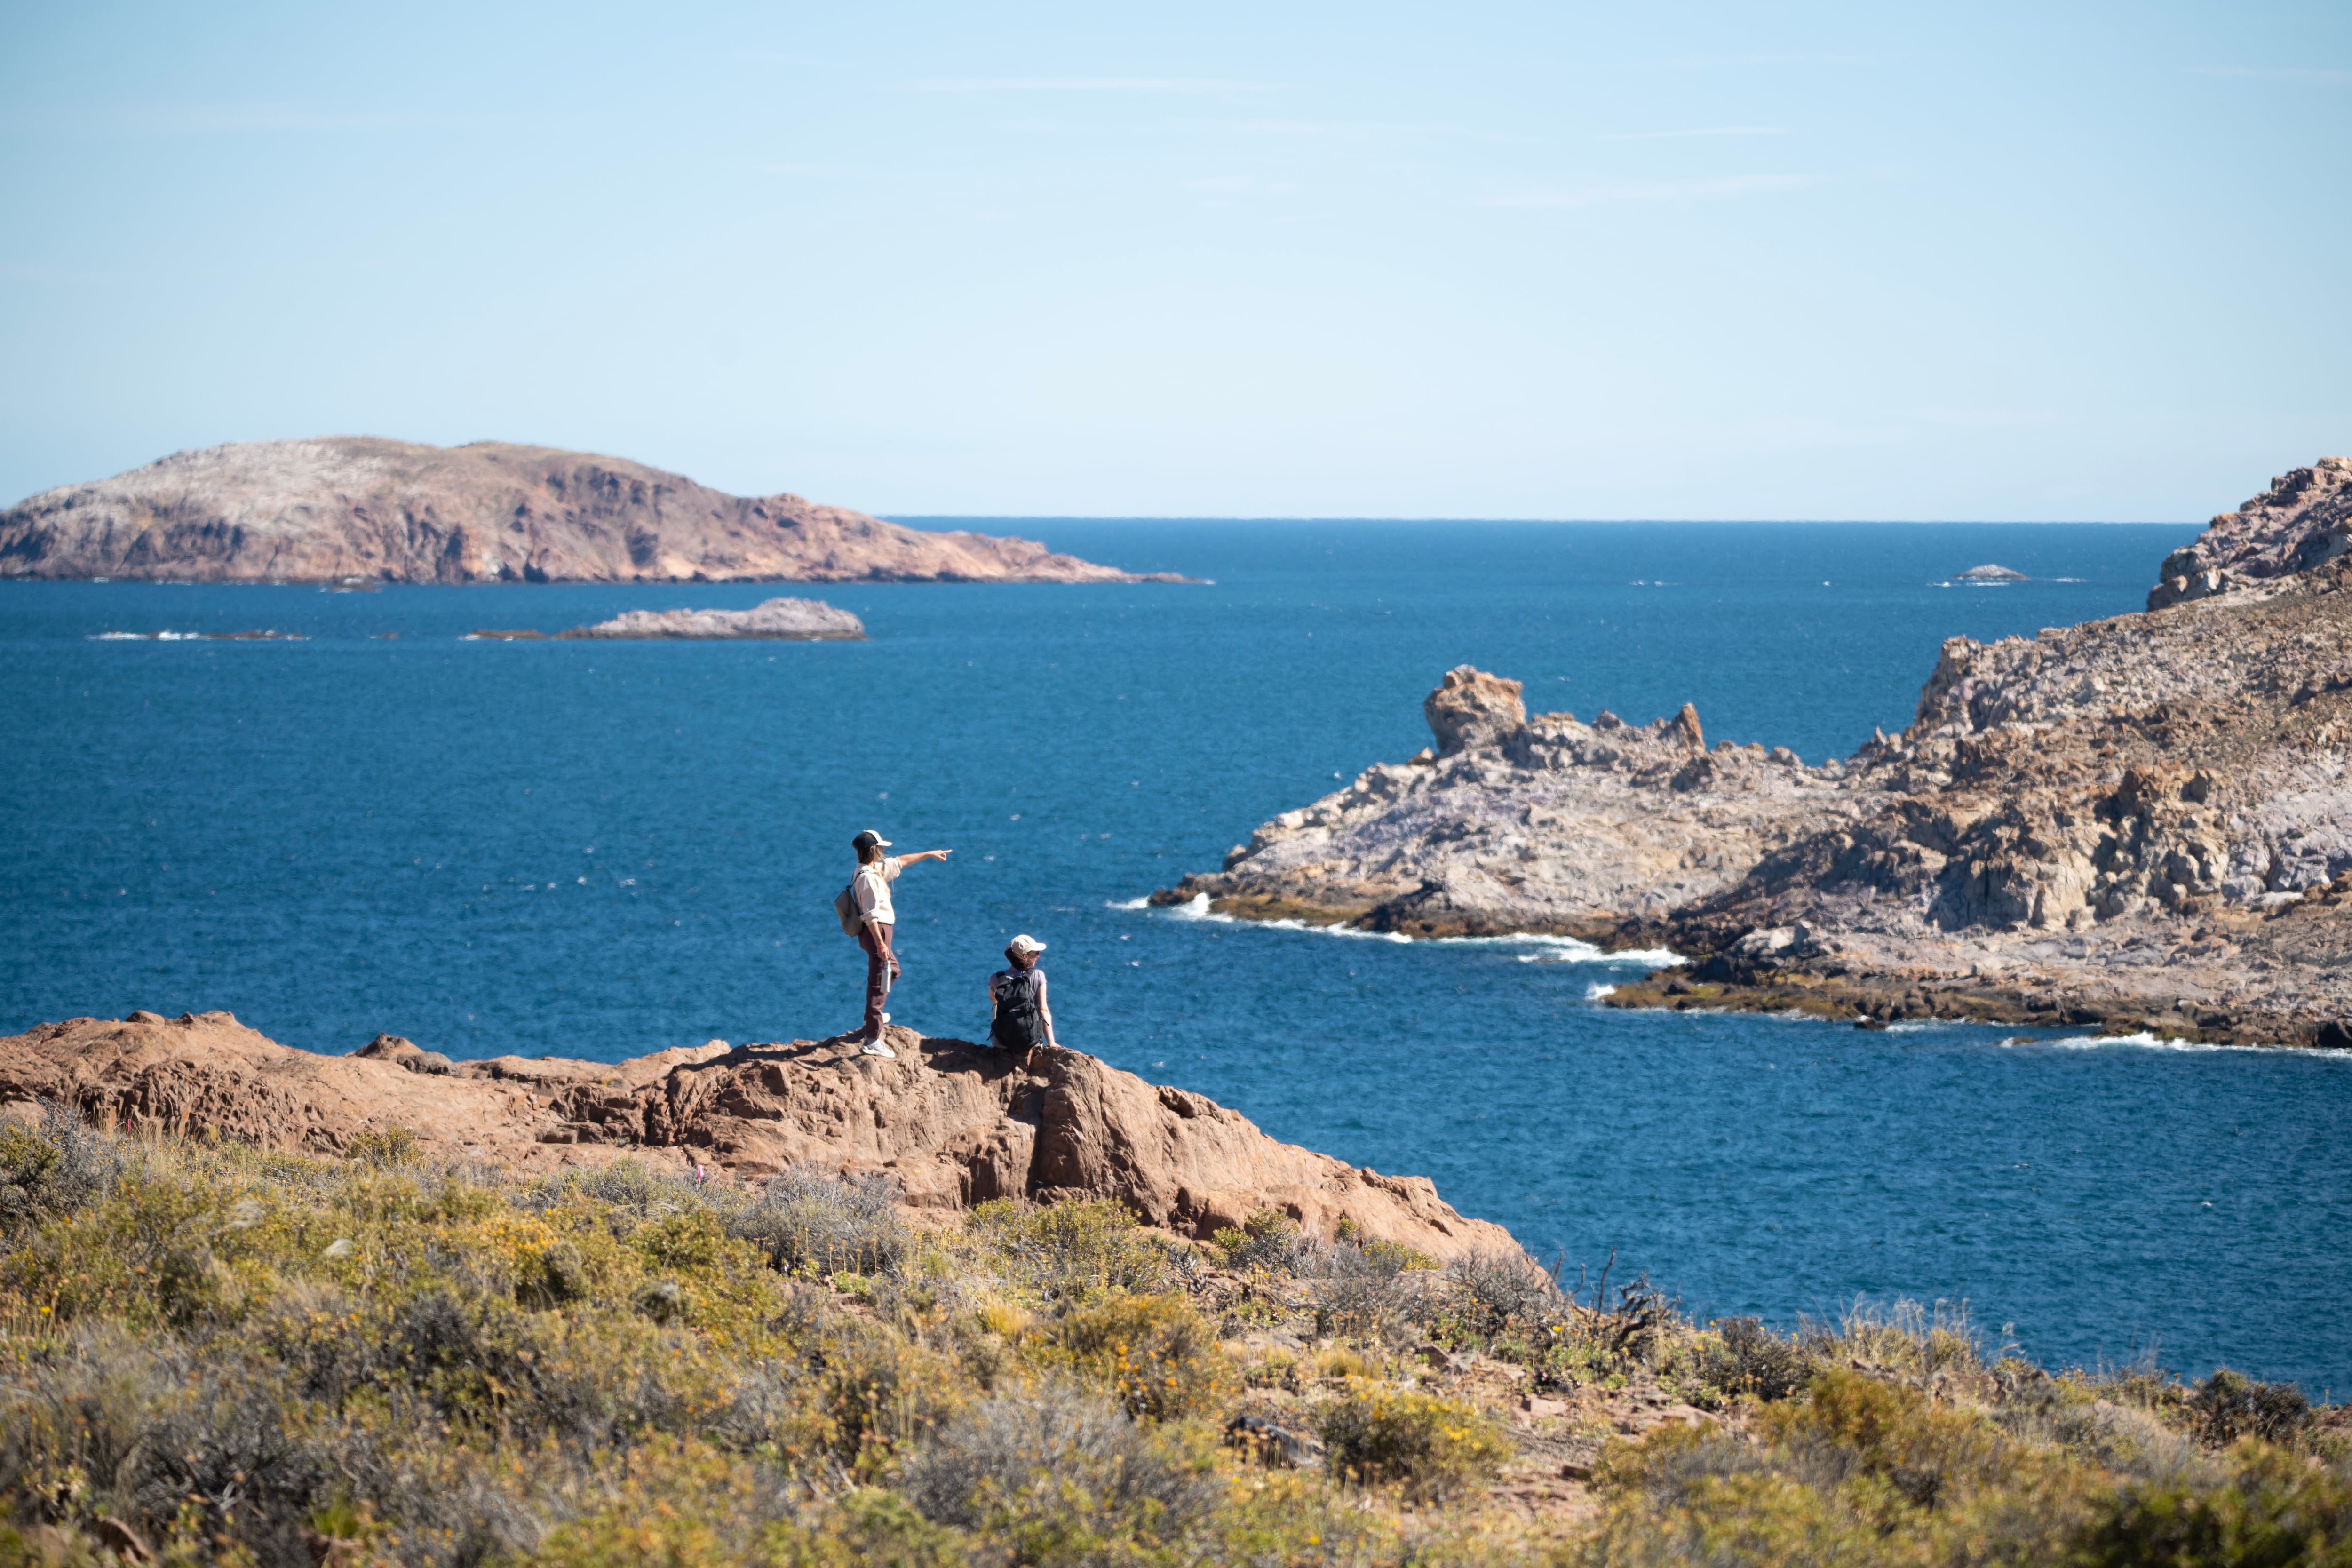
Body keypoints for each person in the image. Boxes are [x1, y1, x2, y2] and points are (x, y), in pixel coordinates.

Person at [849, 829, 950, 1058]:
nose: (885, 851)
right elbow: (871, 915)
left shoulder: (871, 870)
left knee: (892, 970)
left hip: (879, 934)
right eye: (881, 847)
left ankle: (872, 1015)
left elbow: (900, 862)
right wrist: (881, 945)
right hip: (877, 933)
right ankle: (872, 1039)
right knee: (878, 982)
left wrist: (929, 854)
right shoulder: (867, 877)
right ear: (873, 850)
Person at [987, 933, 1060, 1054]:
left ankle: (999, 1040)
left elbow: (993, 999)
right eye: (1036, 953)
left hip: (1002, 1043)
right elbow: (1044, 1010)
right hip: (1031, 1043)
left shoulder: (996, 978)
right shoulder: (1038, 975)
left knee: (996, 1006)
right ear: (1025, 956)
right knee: (1037, 1007)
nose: (1038, 956)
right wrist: (1051, 1043)